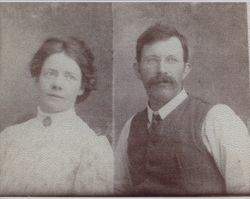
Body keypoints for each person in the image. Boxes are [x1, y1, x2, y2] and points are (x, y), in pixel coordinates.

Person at [115, 23, 250, 195]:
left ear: (185, 70)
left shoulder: (217, 119)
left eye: (172, 60)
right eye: (151, 60)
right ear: (137, 70)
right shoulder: (130, 128)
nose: (162, 70)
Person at [0, 37, 113, 196]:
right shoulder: (8, 138)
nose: (57, 84)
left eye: (69, 76)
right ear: (37, 79)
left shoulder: (92, 147)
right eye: (50, 73)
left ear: (81, 87)